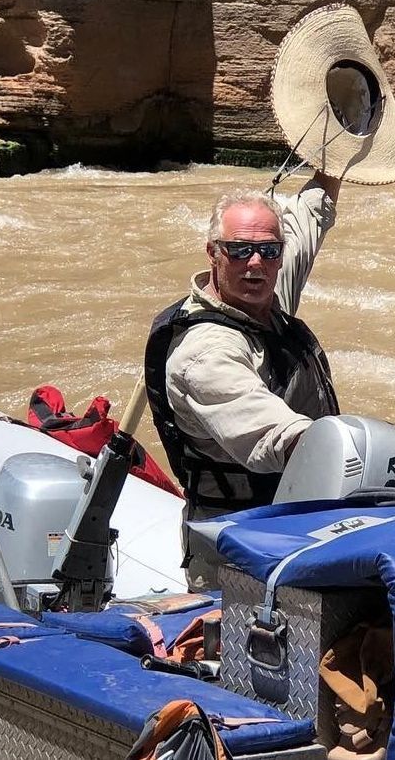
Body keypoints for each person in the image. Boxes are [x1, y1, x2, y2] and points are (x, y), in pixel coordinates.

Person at [144, 172, 342, 587]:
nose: (256, 263)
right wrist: (367, 459)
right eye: (239, 251)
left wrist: (338, 146)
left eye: (269, 251)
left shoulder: (265, 297)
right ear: (212, 253)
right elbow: (279, 439)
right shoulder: (206, 355)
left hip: (292, 522)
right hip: (235, 546)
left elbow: (310, 215)